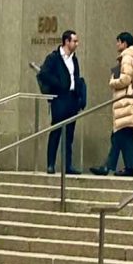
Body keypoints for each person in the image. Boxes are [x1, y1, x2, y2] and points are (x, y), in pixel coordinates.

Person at [37, 30, 85, 176]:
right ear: (66, 41)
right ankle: (50, 164)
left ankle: (67, 165)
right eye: (74, 41)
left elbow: (76, 76)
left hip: (72, 98)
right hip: (59, 98)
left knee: (69, 134)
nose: (76, 44)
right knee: (56, 130)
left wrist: (79, 95)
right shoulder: (54, 58)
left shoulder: (74, 59)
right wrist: (58, 84)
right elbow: (43, 74)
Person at [98, 31, 133, 177]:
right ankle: (125, 167)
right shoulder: (132, 57)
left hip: (126, 101)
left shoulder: (127, 57)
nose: (117, 44)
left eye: (118, 42)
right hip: (128, 101)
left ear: (124, 43)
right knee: (123, 136)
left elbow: (126, 79)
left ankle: (108, 166)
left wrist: (113, 81)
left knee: (119, 135)